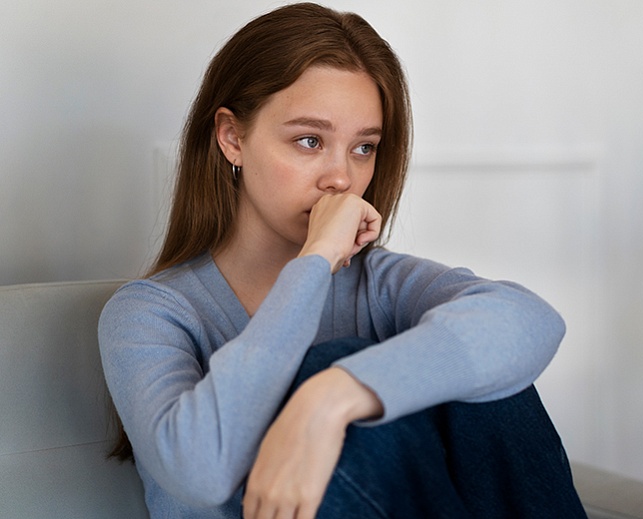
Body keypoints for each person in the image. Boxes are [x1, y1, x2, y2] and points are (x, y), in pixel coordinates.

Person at [98, 3, 587, 518]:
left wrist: (330, 400)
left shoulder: (378, 283)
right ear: (233, 138)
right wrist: (313, 264)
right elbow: (199, 469)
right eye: (309, 141)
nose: (341, 178)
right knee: (327, 361)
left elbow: (530, 321)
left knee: (484, 372)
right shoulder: (149, 314)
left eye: (363, 148)